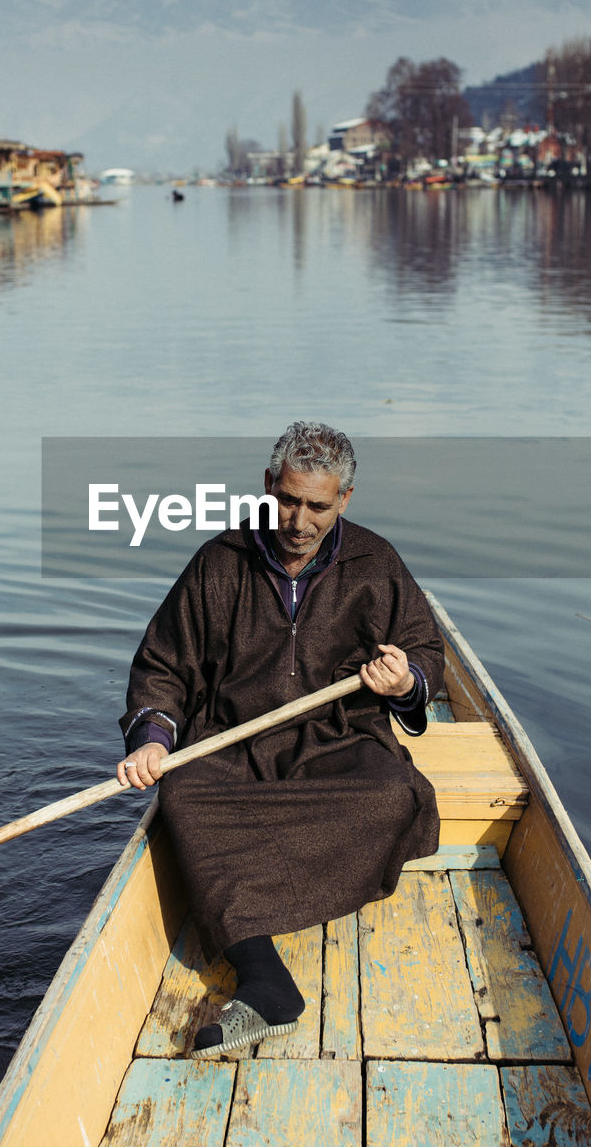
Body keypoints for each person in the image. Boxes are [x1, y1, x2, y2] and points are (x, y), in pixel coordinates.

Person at [115, 421, 442, 1057]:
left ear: (345, 499)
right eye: (288, 499)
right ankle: (267, 980)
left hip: (338, 741)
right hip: (233, 740)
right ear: (269, 486)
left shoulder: (376, 563)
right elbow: (163, 667)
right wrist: (153, 739)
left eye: (317, 505)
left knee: (394, 796)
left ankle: (239, 902)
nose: (298, 519)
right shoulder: (220, 561)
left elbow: (426, 655)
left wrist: (404, 679)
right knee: (183, 796)